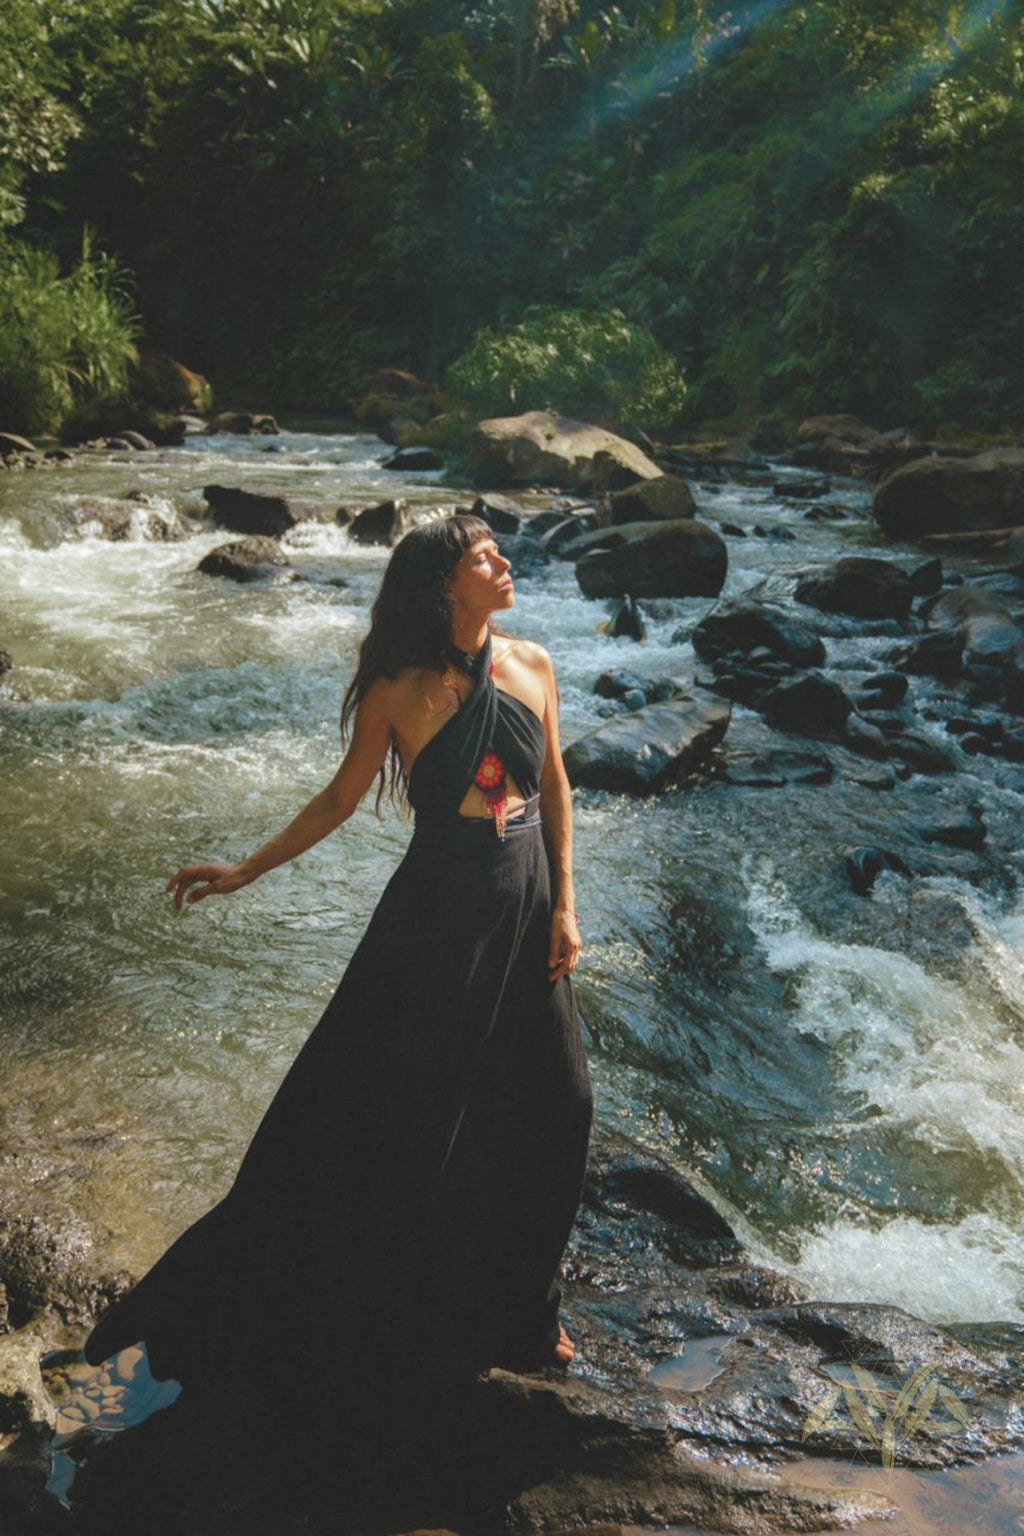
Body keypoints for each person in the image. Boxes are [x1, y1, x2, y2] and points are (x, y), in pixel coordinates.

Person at [84, 512, 593, 1401]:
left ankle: (528, 1306)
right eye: (484, 557)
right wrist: (246, 869)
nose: (504, 563)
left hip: (526, 907)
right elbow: (338, 801)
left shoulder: (534, 665)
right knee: (403, 1124)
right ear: (445, 585)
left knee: (561, 1101)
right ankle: (397, 1314)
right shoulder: (397, 689)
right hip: (437, 919)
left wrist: (568, 907)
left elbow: (552, 783)